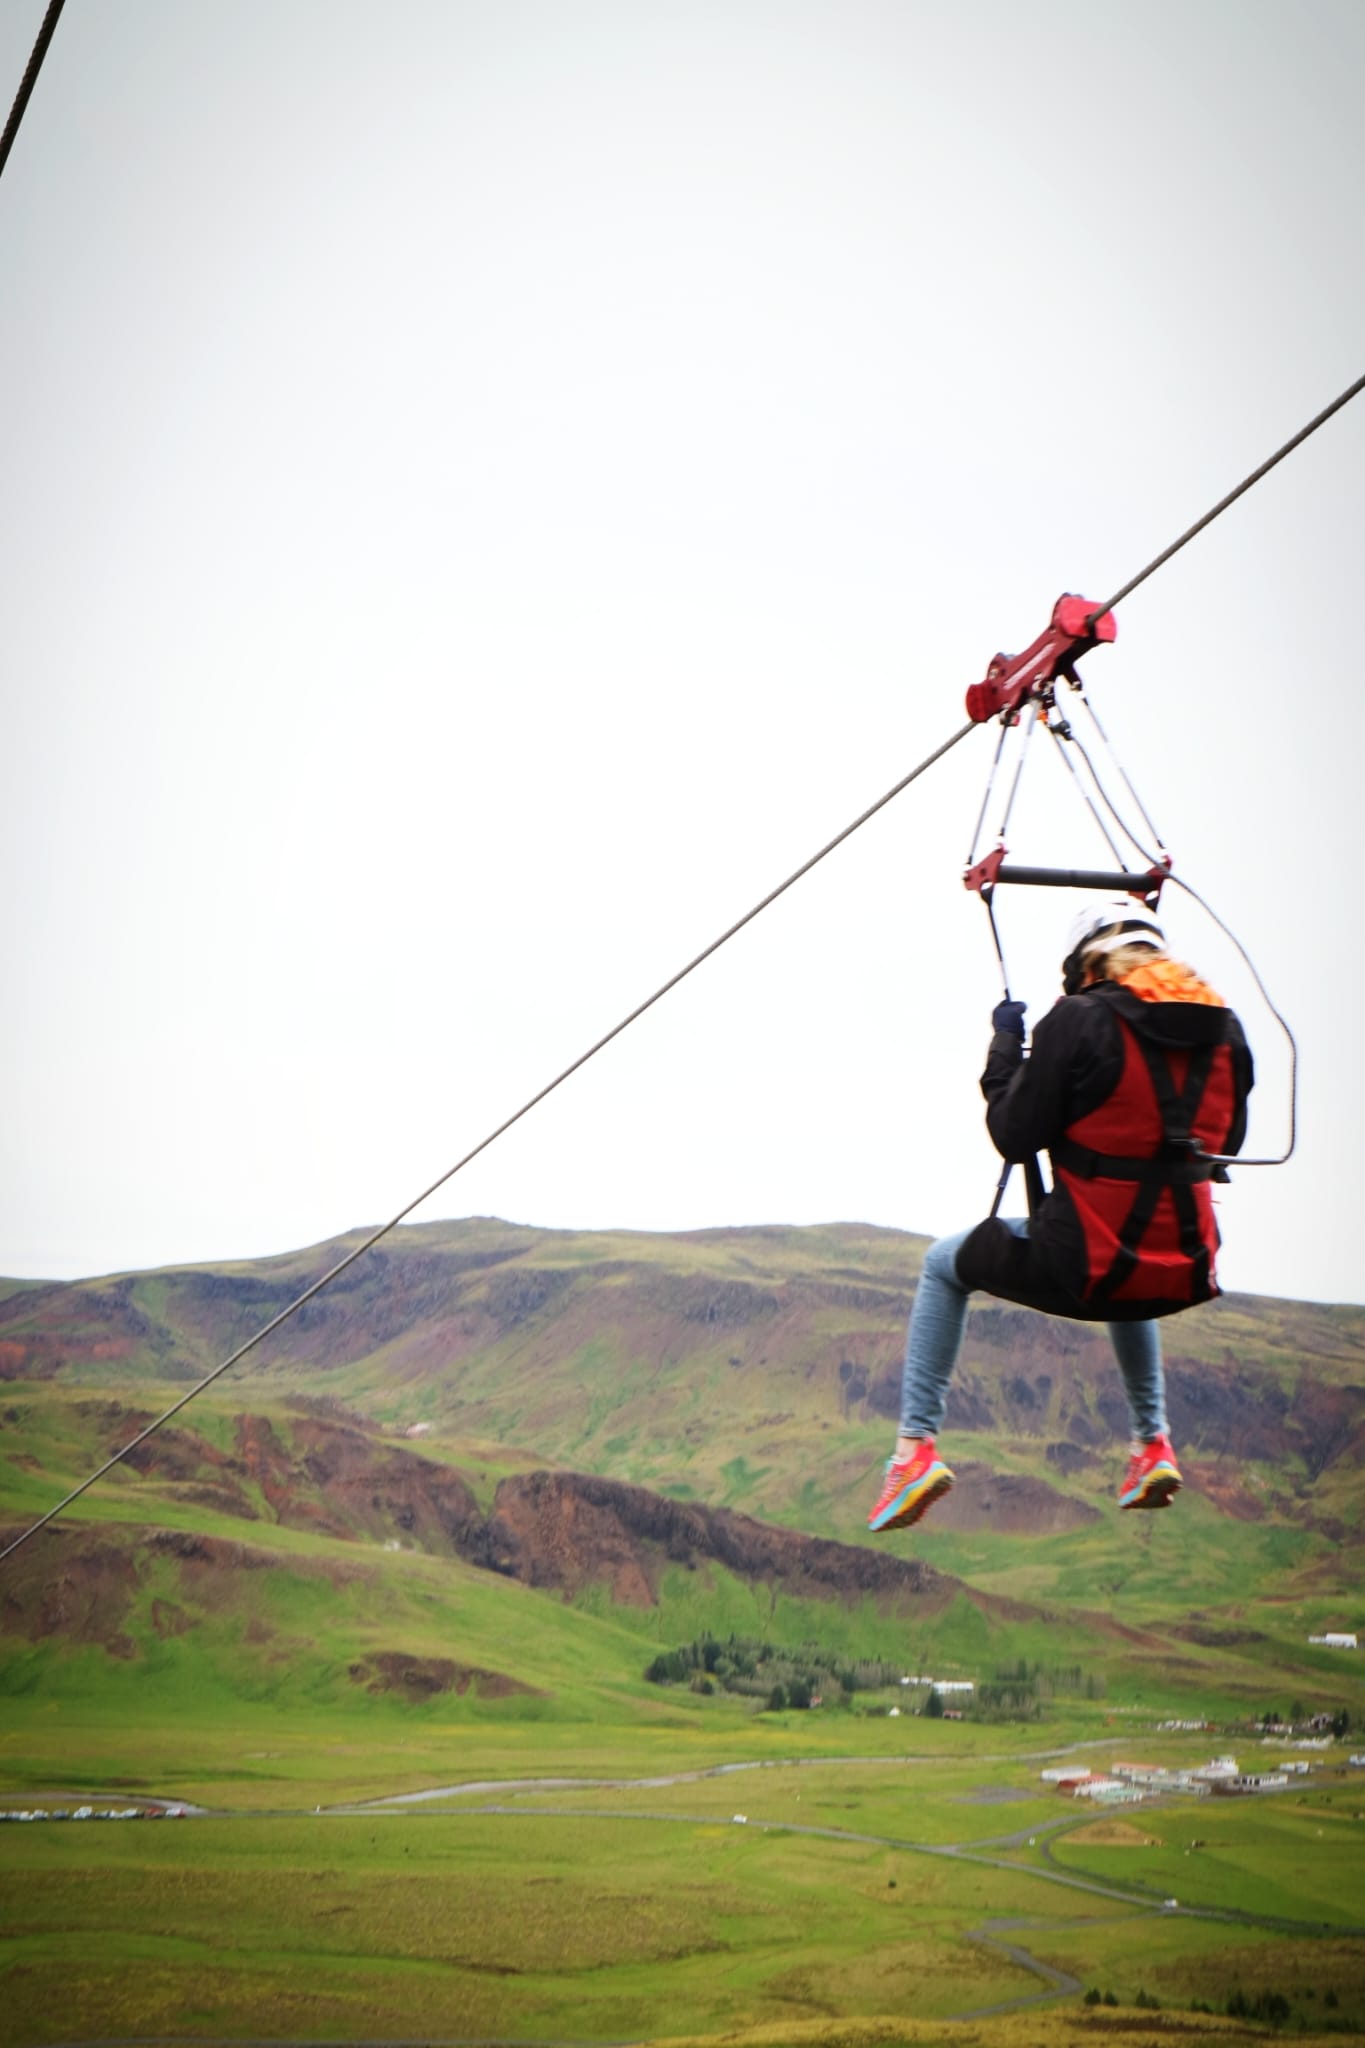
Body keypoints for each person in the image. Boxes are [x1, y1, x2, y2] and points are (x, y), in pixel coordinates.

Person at [869, 899, 1253, 1532]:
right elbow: (1225, 1141)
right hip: (1184, 1264)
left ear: (1086, 967)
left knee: (942, 1266)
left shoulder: (1079, 1020)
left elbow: (1013, 1134)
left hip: (1081, 1259)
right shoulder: (1225, 1030)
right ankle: (1151, 1443)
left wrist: (1005, 1053)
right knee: (1130, 1268)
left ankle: (913, 1451)